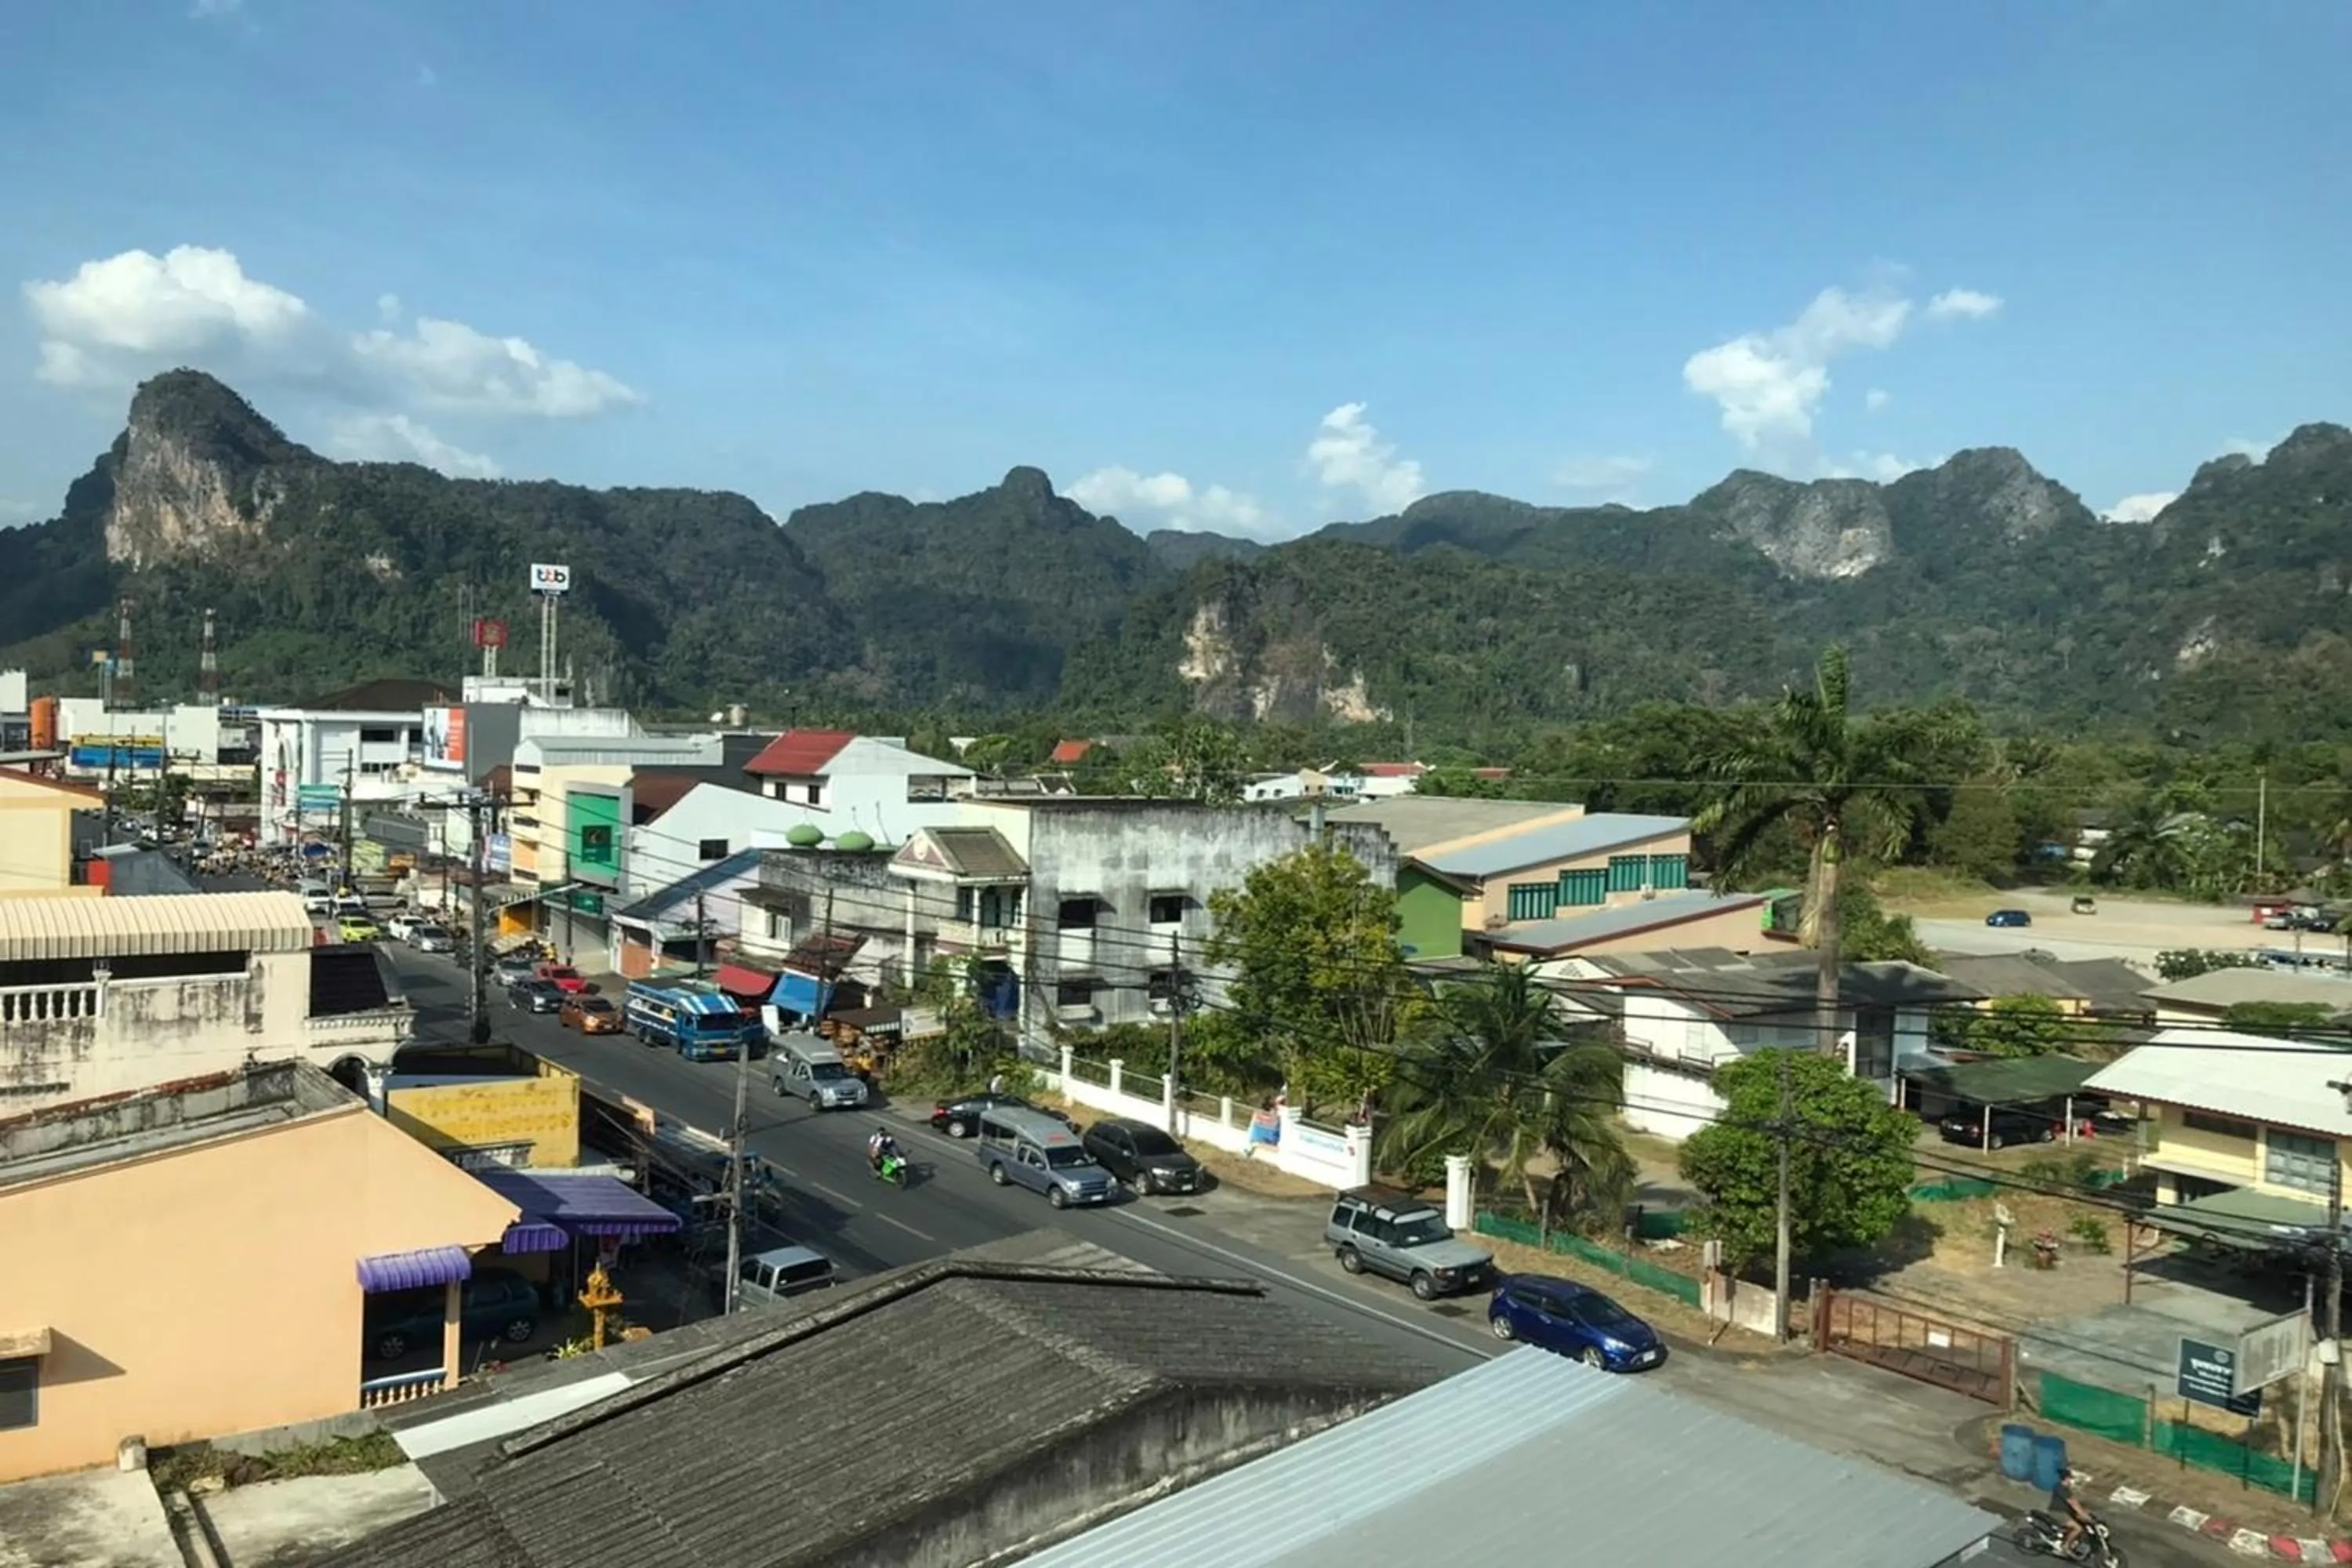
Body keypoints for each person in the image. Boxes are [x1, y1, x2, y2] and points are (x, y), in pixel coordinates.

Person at [2051, 1465, 2091, 1555]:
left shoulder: (2065, 1489)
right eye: (2070, 1479)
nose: (2071, 1481)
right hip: (2057, 1513)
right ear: (2066, 1479)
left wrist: (2083, 1511)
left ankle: (2070, 1541)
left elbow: (2075, 1501)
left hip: (2064, 1513)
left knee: (2078, 1523)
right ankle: (2065, 1547)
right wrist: (2082, 1514)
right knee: (2078, 1528)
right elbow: (2072, 1503)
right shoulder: (2060, 1488)